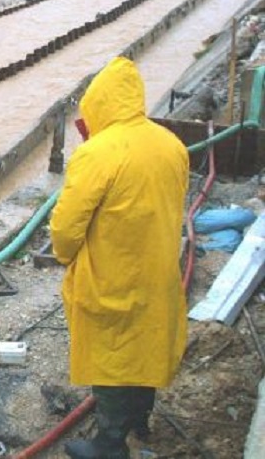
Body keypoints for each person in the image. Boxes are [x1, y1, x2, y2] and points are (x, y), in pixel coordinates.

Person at [50, 56, 189, 459]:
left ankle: (110, 443)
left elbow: (65, 228)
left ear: (99, 103)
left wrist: (64, 255)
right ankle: (140, 418)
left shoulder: (98, 153)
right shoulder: (171, 145)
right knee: (144, 343)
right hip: (158, 269)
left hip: (112, 273)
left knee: (111, 351)